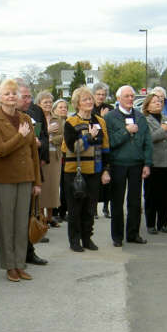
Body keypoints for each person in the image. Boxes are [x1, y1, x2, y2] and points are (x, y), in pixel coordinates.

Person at [0, 78, 42, 281]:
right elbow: (0, 150)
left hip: (25, 176)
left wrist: (37, 181)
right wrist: (20, 136)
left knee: (21, 224)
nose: (11, 97)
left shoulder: (26, 119)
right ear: (0, 98)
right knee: (7, 224)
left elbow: (33, 153)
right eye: (7, 93)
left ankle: (20, 264)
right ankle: (9, 265)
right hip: (4, 179)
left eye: (14, 93)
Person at [61, 86, 110, 251]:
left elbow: (105, 148)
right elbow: (72, 147)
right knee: (75, 208)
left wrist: (106, 170)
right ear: (77, 104)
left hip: (94, 171)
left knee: (90, 208)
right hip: (75, 172)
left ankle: (87, 238)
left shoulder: (100, 121)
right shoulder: (71, 122)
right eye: (85, 99)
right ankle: (74, 241)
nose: (89, 102)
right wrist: (89, 137)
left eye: (90, 99)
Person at [104, 85, 153, 247]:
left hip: (136, 165)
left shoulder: (140, 117)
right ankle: (117, 237)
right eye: (127, 96)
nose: (130, 99)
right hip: (118, 164)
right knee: (117, 202)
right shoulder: (110, 118)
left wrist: (147, 163)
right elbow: (109, 142)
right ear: (118, 99)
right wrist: (126, 131)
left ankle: (133, 233)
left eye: (132, 96)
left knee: (135, 201)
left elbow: (147, 142)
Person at [16, 79, 49, 263]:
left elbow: (44, 136)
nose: (28, 100)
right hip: (18, 170)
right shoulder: (12, 116)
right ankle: (19, 253)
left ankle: (30, 250)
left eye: (29, 96)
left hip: (35, 164)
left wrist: (41, 147)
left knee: (31, 211)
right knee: (20, 216)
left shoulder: (35, 112)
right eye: (24, 96)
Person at [142, 93, 167, 235]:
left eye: (160, 101)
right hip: (153, 162)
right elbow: (148, 139)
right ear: (148, 106)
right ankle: (150, 224)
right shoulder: (145, 121)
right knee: (151, 194)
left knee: (165, 194)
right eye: (155, 101)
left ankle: (163, 223)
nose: (158, 103)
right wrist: (162, 130)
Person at [35, 91, 61, 227]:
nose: (48, 104)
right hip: (42, 157)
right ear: (39, 104)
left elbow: (62, 136)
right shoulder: (37, 119)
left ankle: (51, 217)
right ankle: (41, 217)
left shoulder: (57, 118)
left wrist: (51, 138)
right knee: (42, 187)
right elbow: (36, 136)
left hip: (55, 157)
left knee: (53, 187)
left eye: (50, 102)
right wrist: (48, 132)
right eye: (45, 102)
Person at [91, 82, 113, 218]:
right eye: (98, 94)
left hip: (106, 148)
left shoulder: (109, 108)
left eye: (103, 95)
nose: (101, 97)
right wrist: (102, 119)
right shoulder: (90, 109)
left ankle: (106, 207)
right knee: (94, 181)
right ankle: (93, 209)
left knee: (107, 179)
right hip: (93, 148)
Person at [53, 99, 70, 222]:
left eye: (65, 107)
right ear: (55, 110)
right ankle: (54, 212)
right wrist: (66, 136)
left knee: (65, 186)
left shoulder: (68, 121)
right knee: (55, 186)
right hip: (56, 156)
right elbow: (51, 138)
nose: (63, 109)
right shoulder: (54, 121)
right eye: (60, 107)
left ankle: (63, 211)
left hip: (67, 157)